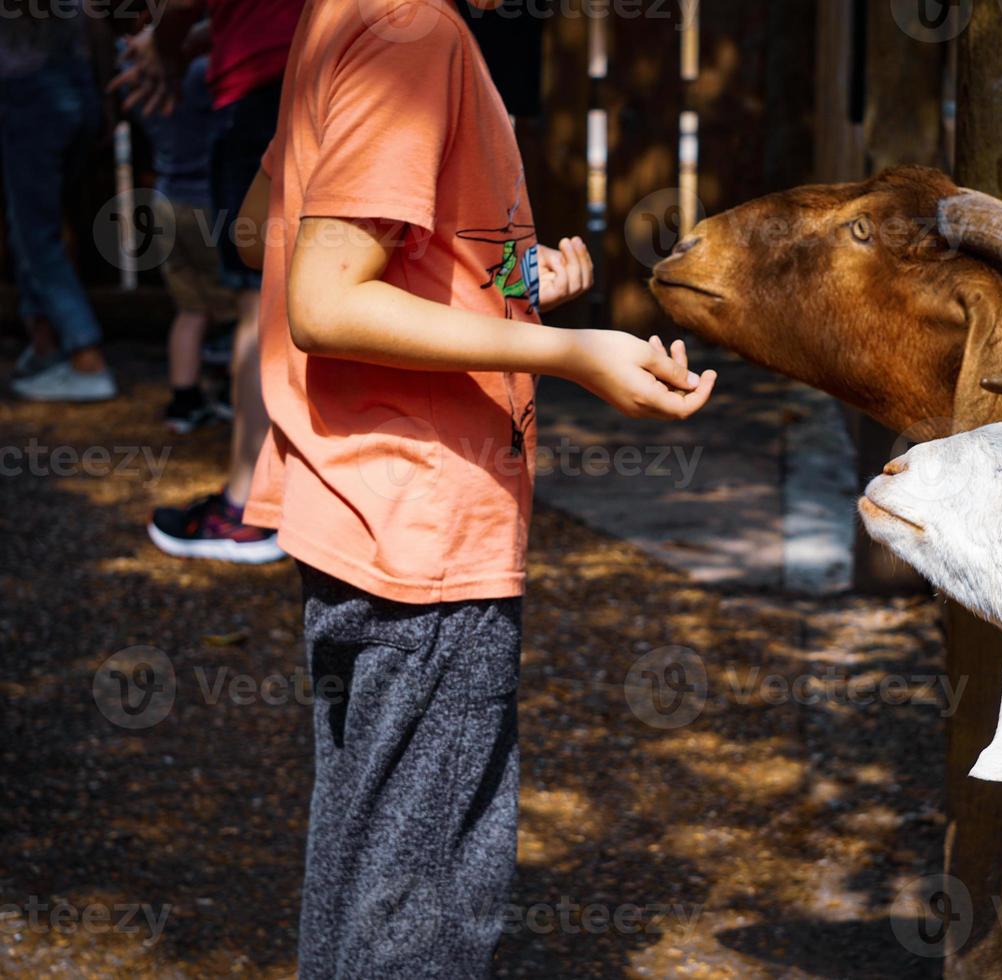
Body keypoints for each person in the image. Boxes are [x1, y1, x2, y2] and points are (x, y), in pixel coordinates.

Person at [233, 0, 716, 972]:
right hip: (427, 540)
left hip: (351, 517)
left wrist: (503, 284)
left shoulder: (342, 14)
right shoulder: (416, 31)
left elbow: (262, 229)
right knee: (420, 925)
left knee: (356, 889)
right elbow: (323, 297)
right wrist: (568, 350)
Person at [113, 0, 306, 562]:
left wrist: (166, 44)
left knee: (259, 305)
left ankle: (251, 509)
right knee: (294, 292)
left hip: (265, 93)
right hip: (323, 78)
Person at [2, 13, 116, 402]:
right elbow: (96, 21)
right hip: (73, 86)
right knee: (34, 224)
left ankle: (86, 357)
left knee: (36, 234)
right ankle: (45, 343)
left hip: (27, 91)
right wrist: (104, 98)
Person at [134, 55, 237, 433]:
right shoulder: (201, 71)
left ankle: (185, 400)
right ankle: (234, 393)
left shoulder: (143, 72)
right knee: (239, 308)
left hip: (165, 201)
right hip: (207, 205)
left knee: (191, 309)